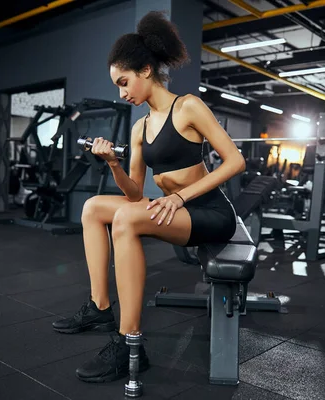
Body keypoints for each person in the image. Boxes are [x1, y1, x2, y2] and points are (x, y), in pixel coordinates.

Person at [52, 10, 246, 383]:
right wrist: (112, 163)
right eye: (117, 87)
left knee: (125, 219)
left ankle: (130, 343)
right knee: (94, 208)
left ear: (145, 70)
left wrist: (179, 198)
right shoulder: (140, 127)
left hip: (209, 213)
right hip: (178, 210)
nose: (122, 93)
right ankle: (99, 307)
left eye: (123, 82)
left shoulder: (187, 106)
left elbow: (234, 160)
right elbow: (135, 192)